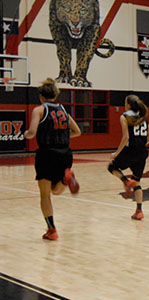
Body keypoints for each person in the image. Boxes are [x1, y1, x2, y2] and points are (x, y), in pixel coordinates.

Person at [24, 78, 81, 240]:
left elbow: (32, 132)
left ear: (41, 96)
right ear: (55, 96)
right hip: (65, 154)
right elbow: (77, 131)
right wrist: (61, 135)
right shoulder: (63, 110)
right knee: (56, 190)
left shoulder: (39, 110)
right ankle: (66, 179)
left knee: (45, 195)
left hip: (47, 154)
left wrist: (25, 134)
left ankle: (52, 230)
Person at [108, 95, 149, 220]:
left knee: (112, 166)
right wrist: (142, 144)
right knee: (137, 181)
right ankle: (139, 211)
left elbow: (126, 137)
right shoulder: (143, 117)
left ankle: (125, 181)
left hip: (130, 150)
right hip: (142, 152)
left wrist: (116, 153)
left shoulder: (124, 116)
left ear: (128, 104)